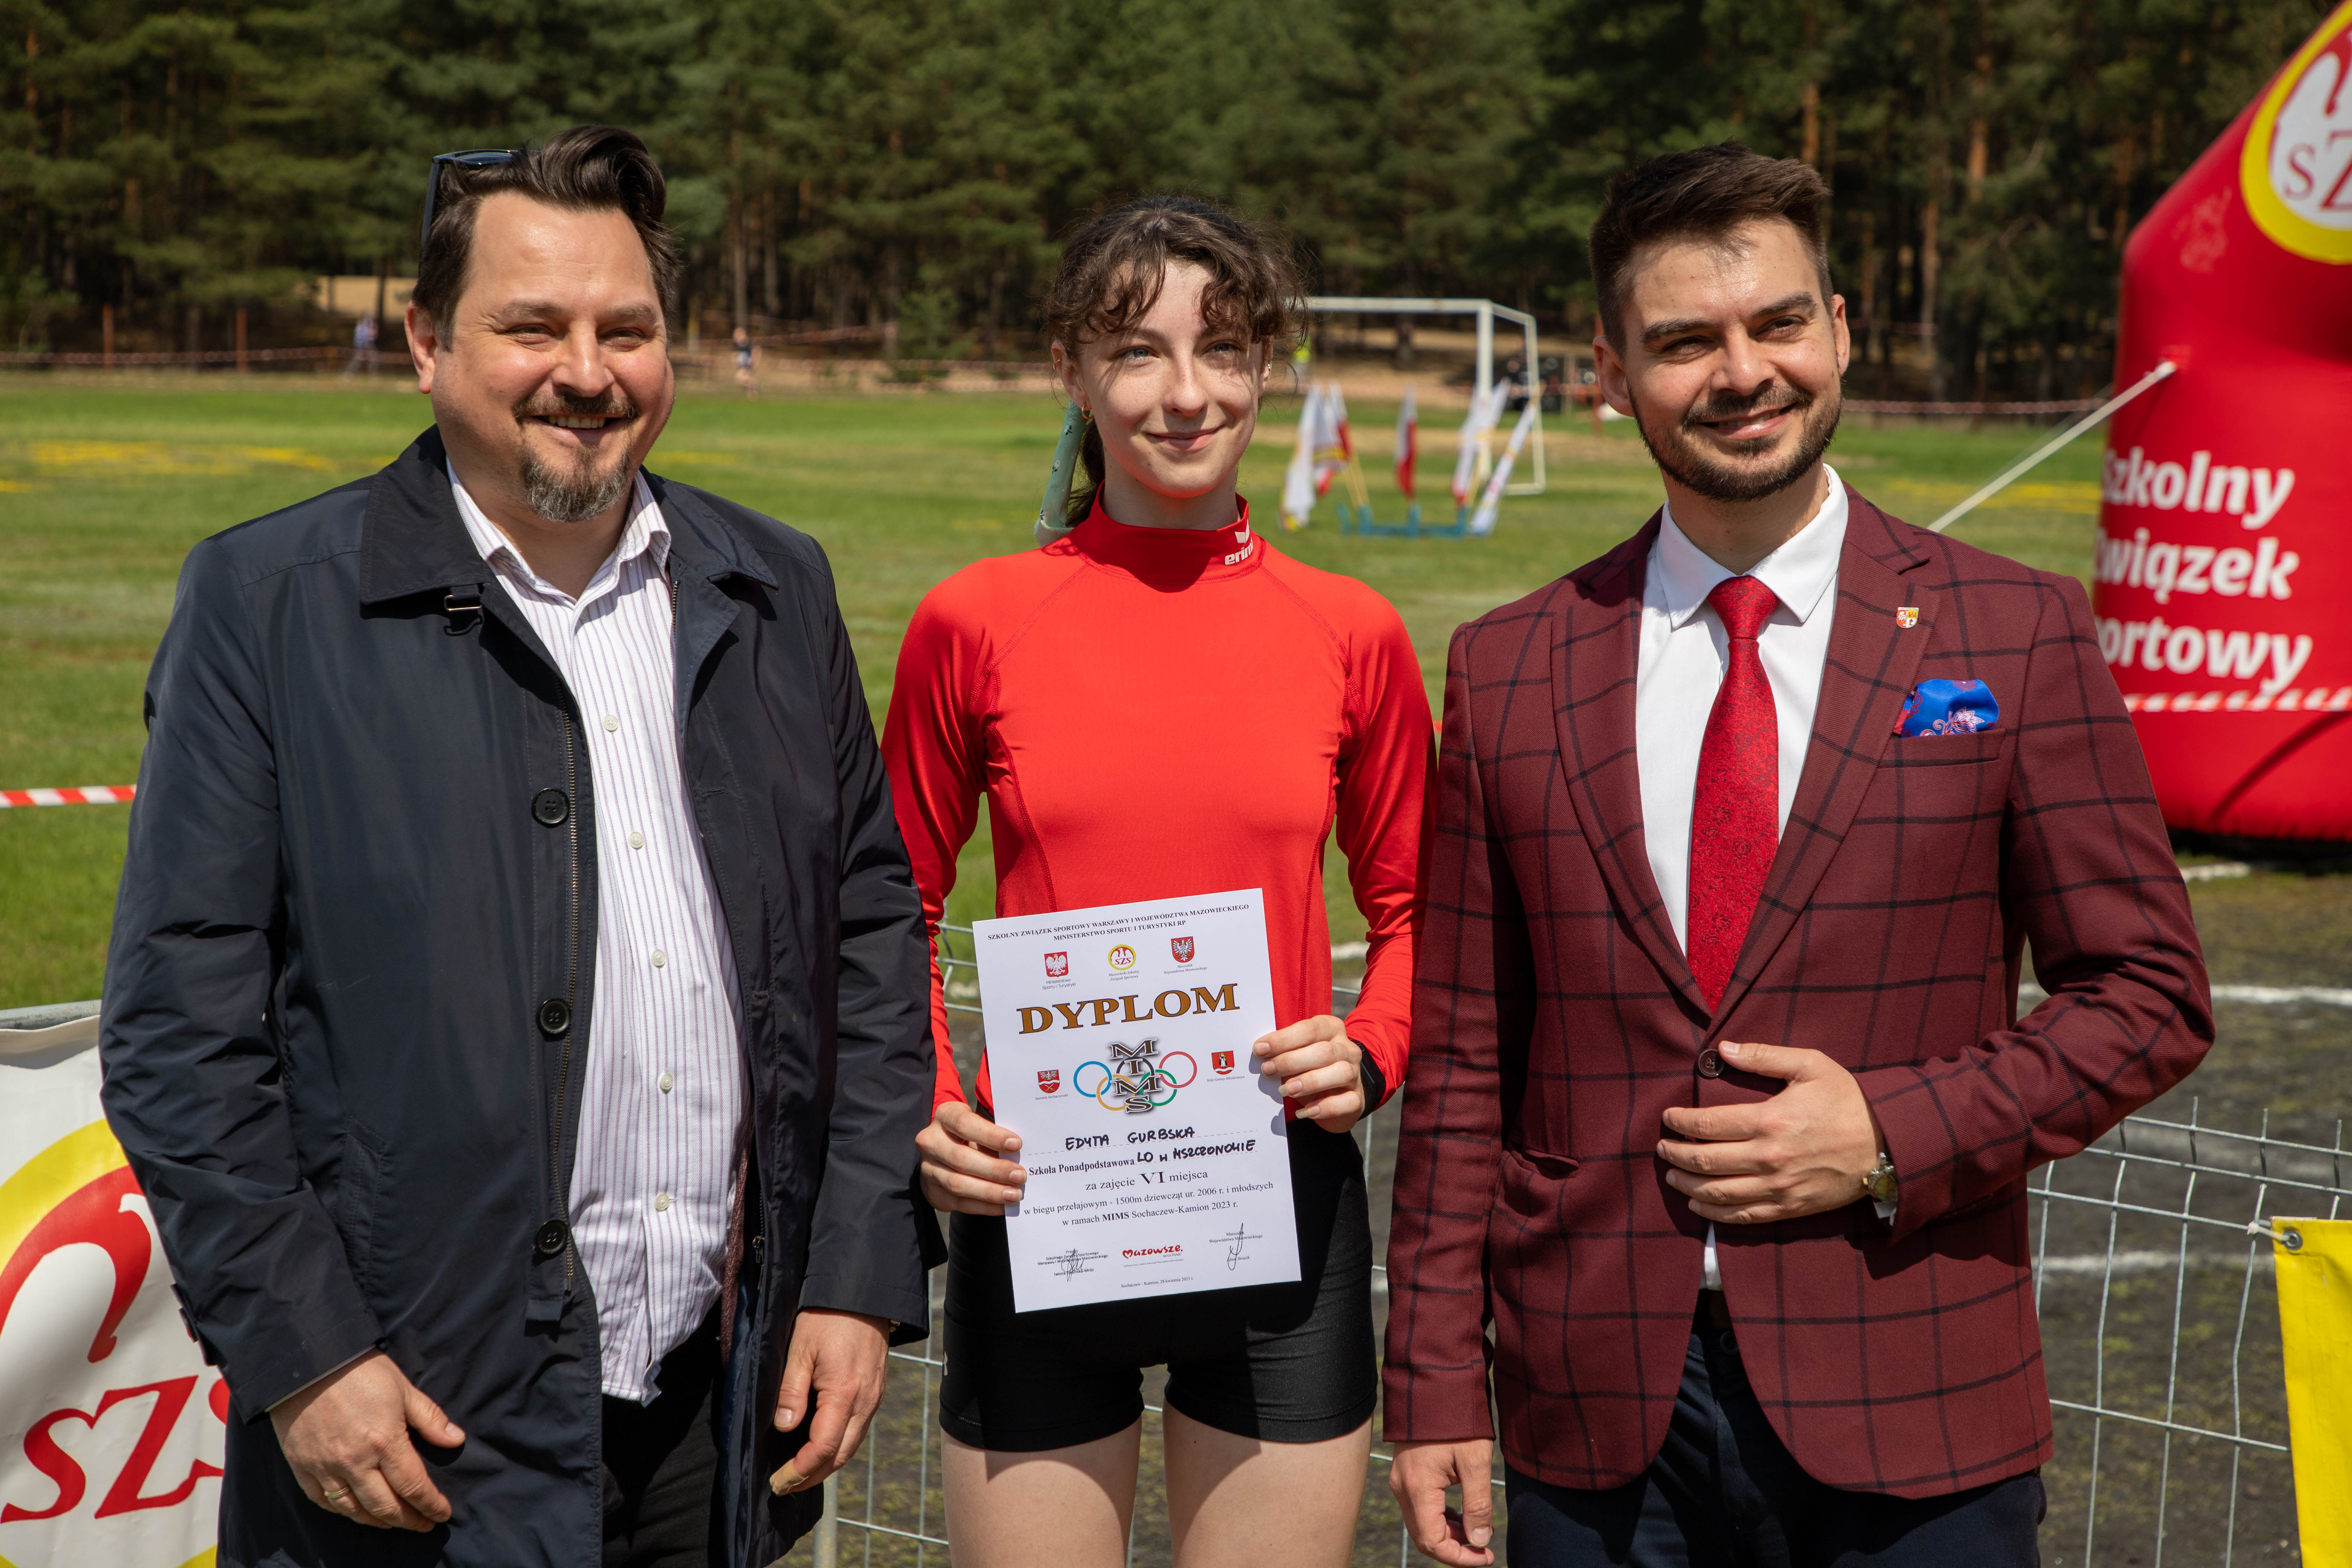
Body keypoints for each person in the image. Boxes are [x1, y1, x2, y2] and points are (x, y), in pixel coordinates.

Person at [100, 125, 938, 1568]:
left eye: (630, 329)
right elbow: (183, 1028)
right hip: (418, 1420)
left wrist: (857, 1272)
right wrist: (304, 1358)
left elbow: (869, 935)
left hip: (717, 1411)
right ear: (426, 341)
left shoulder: (775, 586)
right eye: (532, 326)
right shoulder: (267, 603)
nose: (589, 371)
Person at [1382, 143, 2212, 1568]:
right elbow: (1465, 1059)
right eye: (1684, 342)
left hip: (1916, 1397)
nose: (1740, 371)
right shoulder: (1509, 665)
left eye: (1775, 324)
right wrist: (1434, 1383)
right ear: (1607, 372)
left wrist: (1893, 1133)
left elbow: (2148, 995)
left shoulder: (2015, 632)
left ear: (1837, 331)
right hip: (1596, 1413)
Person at [882, 196, 1432, 1568]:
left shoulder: (1352, 633)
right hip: (1038, 1196)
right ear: (1073, 372)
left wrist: (1373, 1048)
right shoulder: (976, 620)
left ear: (1267, 370)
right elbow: (891, 903)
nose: (1187, 395)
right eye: (1138, 353)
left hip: (1278, 1206)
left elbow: (1425, 911)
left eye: (1225, 351)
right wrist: (939, 1099)